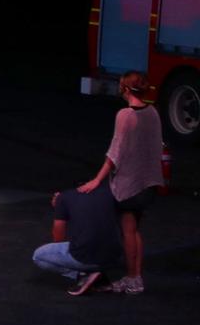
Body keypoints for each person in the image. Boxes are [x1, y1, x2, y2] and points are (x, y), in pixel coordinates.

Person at [76, 71, 163, 294]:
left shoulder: (125, 115)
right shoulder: (152, 112)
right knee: (134, 231)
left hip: (131, 187)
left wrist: (97, 180)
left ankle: (133, 279)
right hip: (148, 184)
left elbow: (115, 153)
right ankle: (136, 276)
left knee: (128, 231)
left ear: (124, 89)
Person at [33, 184, 123, 296]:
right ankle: (96, 272)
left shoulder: (64, 197)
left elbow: (58, 233)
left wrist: (60, 207)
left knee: (38, 256)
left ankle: (83, 274)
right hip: (115, 257)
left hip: (87, 257)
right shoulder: (110, 193)